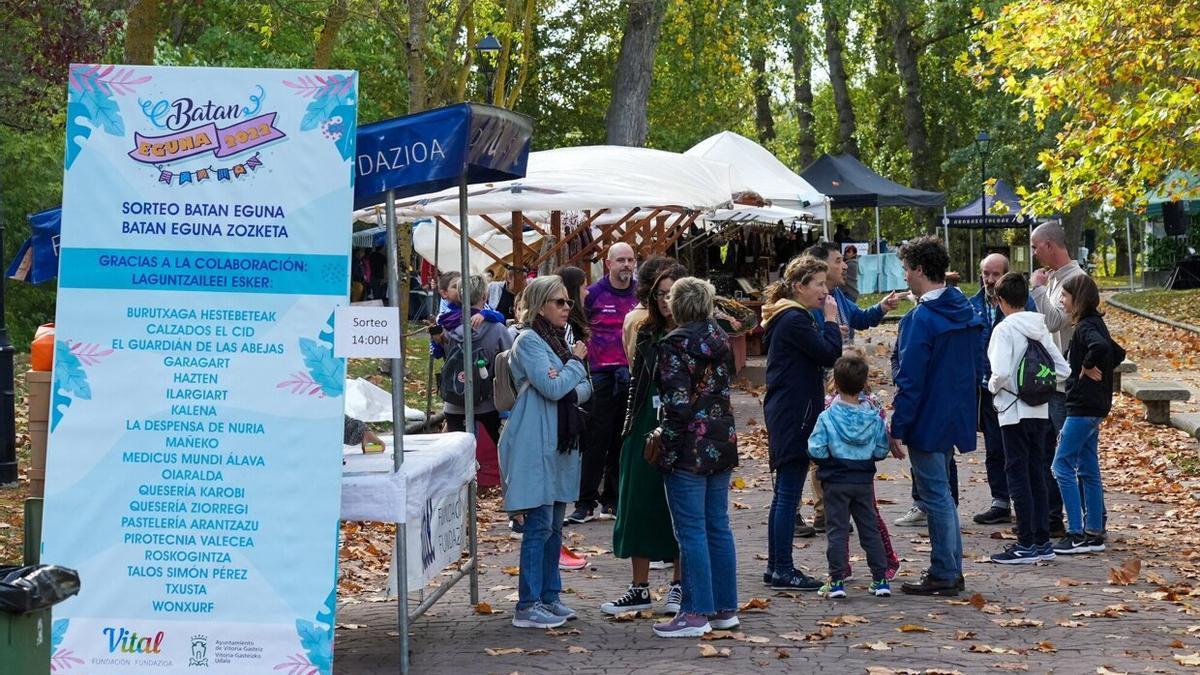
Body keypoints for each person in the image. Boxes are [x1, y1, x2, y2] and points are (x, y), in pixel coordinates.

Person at [890, 235, 983, 596]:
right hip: (955, 412)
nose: (904, 275)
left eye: (906, 268)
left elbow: (910, 379)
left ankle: (944, 570)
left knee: (935, 497)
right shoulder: (964, 309)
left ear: (918, 269)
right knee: (941, 493)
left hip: (928, 417)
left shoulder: (921, 319)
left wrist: (898, 426)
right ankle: (949, 567)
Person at [498, 275, 592, 629]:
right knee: (537, 526)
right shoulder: (529, 341)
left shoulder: (560, 342)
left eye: (568, 301)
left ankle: (550, 597)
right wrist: (573, 367)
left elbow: (583, 390)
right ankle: (527, 604)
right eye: (559, 302)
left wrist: (567, 379)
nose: (567, 308)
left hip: (559, 442)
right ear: (539, 304)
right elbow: (555, 387)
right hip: (534, 440)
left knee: (554, 526)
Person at [650, 277, 739, 638]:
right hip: (721, 439)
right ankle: (723, 607)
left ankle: (694, 610)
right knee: (717, 524)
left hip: (689, 446)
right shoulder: (720, 340)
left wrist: (666, 449)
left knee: (690, 531)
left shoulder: (674, 345)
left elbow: (677, 405)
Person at [603, 262, 687, 617]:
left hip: (682, 428)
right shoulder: (647, 331)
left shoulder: (692, 333)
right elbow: (637, 382)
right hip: (644, 425)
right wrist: (628, 428)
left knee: (679, 506)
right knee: (637, 501)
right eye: (660, 293)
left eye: (673, 293)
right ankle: (639, 588)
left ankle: (679, 585)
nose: (666, 300)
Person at [803, 243, 900, 535]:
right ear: (819, 266)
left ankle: (838, 506)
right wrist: (829, 331)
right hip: (824, 381)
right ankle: (825, 509)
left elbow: (860, 318)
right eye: (838, 261)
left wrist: (882, 307)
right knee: (823, 440)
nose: (845, 266)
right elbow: (811, 342)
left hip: (844, 378)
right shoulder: (812, 304)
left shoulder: (839, 297)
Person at [761, 255, 841, 591]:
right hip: (794, 412)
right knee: (788, 493)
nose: (824, 291)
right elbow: (829, 355)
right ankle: (783, 569)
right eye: (819, 284)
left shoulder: (787, 316)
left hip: (786, 409)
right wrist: (832, 322)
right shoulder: (795, 319)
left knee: (784, 493)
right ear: (799, 286)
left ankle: (777, 565)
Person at [985, 272, 1070, 564]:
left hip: (1012, 411)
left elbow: (1002, 372)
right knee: (1037, 473)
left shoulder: (1004, 330)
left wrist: (993, 386)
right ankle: (1042, 540)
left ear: (1000, 300)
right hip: (1040, 410)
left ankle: (1024, 543)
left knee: (1016, 474)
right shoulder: (1040, 327)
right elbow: (1063, 369)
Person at [807, 354, 893, 598]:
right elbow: (880, 449)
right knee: (869, 529)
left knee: (837, 530)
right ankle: (880, 578)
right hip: (863, 480)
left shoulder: (827, 416)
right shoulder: (873, 417)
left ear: (835, 381)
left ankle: (836, 581)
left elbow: (815, 447)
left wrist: (828, 460)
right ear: (864, 382)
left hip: (836, 480)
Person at [1052, 274, 1124, 555]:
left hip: (1082, 407)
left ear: (1077, 299)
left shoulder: (1085, 328)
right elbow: (1118, 352)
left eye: (1065, 296)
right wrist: (1098, 369)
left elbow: (1104, 349)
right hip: (1094, 407)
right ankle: (1094, 529)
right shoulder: (1095, 323)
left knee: (1060, 466)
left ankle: (1076, 532)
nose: (1061, 301)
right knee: (1088, 467)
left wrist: (1086, 367)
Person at [569, 243, 639, 524]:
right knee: (595, 440)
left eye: (630, 260)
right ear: (608, 264)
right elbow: (576, 327)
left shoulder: (640, 294)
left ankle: (613, 500)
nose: (626, 265)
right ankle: (585, 502)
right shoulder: (593, 295)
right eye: (620, 260)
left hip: (630, 376)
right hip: (599, 376)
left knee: (621, 441)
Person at [971, 254, 1039, 526]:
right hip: (986, 389)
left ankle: (1027, 502)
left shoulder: (1024, 304)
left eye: (995, 274)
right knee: (994, 448)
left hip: (1016, 389)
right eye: (985, 274)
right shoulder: (973, 304)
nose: (989, 280)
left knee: (1021, 449)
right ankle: (1000, 501)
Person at [1030, 220, 1088, 536]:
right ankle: (1055, 518)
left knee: (1072, 454)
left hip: (1069, 382)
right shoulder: (1054, 279)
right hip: (1051, 378)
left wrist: (1036, 289)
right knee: (1051, 450)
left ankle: (1086, 522)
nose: (1034, 253)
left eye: (1036, 246)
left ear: (1050, 245)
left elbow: (1053, 321)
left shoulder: (1076, 279)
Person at [440, 274, 514, 448]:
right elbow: (510, 360)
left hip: (453, 399)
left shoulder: (447, 325)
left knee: (456, 454)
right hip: (486, 401)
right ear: (484, 296)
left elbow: (441, 354)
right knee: (504, 448)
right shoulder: (497, 328)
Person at [555, 265, 591, 345]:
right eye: (584, 288)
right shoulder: (565, 325)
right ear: (574, 291)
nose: (587, 292)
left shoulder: (574, 322)